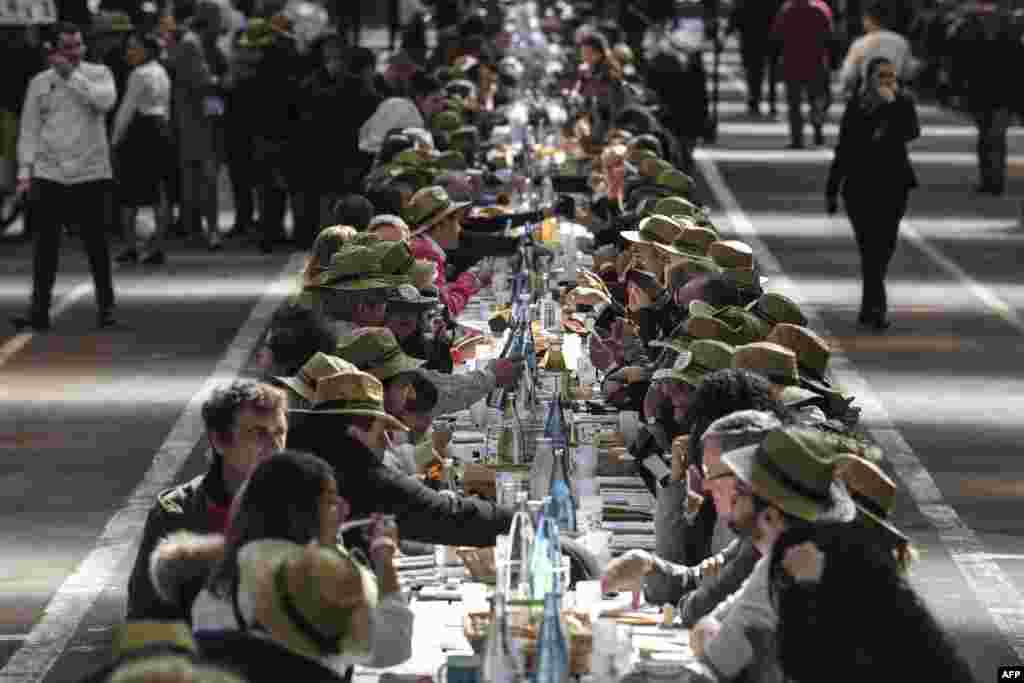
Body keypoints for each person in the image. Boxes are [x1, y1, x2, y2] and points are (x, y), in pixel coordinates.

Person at [126, 380, 288, 621]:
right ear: (220, 441)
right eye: (258, 434)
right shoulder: (177, 514)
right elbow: (148, 614)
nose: (275, 447)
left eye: (280, 432)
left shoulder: (306, 504)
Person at [12, 21, 118, 332]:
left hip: (91, 171)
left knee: (96, 244)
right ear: (53, 50)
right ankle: (39, 310)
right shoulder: (39, 83)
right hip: (50, 171)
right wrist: (24, 171)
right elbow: (29, 129)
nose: (73, 52)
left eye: (78, 46)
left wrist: (72, 76)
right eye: (67, 47)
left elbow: (104, 102)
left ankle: (106, 306)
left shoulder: (99, 74)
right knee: (45, 246)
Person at [826, 57, 919, 331]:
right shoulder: (857, 105)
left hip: (894, 185)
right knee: (870, 248)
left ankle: (870, 306)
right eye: (882, 76)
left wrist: (891, 106)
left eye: (892, 76)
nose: (888, 81)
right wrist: (831, 189)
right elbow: (844, 147)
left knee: (885, 247)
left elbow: (911, 132)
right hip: (860, 187)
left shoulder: (903, 102)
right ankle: (876, 308)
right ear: (869, 78)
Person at [168, 1, 227, 250]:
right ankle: (206, 230)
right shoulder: (192, 45)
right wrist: (220, 81)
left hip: (197, 121)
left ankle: (197, 230)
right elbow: (204, 84)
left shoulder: (201, 44)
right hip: (195, 123)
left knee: (197, 179)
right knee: (204, 178)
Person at [112, 31, 173, 266]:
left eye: (134, 47)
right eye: (128, 48)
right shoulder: (161, 71)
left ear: (147, 50)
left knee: (129, 195)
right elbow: (166, 106)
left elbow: (126, 110)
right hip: (161, 130)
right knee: (159, 193)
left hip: (140, 132)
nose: (129, 52)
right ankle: (158, 247)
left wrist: (114, 140)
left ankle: (131, 246)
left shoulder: (138, 74)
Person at [771, 0, 834, 148]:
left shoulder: (786, 11)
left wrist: (776, 59)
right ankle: (818, 132)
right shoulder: (820, 10)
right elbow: (829, 37)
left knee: (794, 103)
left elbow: (776, 36)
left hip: (792, 63)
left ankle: (797, 139)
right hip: (815, 62)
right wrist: (832, 62)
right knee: (816, 100)